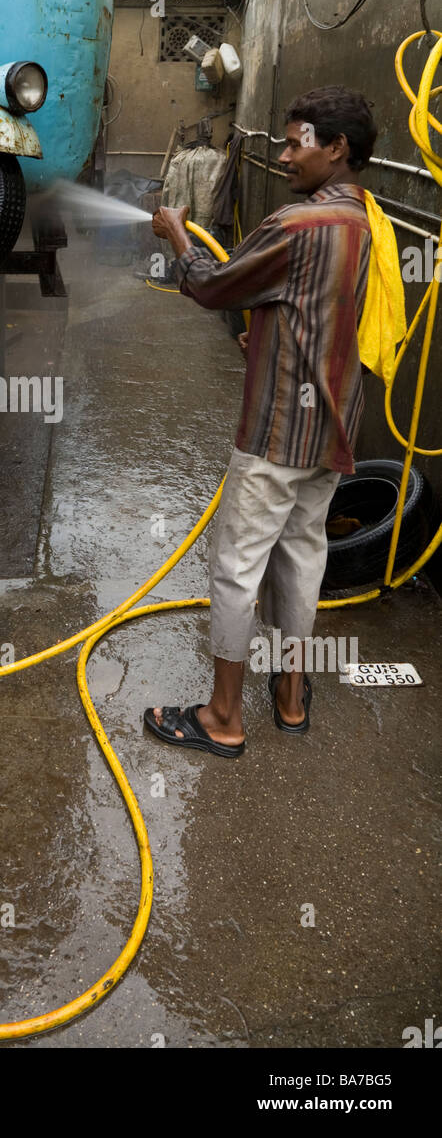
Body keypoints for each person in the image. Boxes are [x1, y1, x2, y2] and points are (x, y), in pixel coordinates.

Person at [146, 87, 379, 758]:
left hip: (278, 427)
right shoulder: (363, 219)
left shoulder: (297, 223)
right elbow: (319, 305)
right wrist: (271, 329)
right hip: (331, 426)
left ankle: (222, 716)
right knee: (302, 559)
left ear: (337, 149)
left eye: (296, 142)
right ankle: (291, 696)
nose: (284, 156)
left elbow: (215, 286)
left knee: (237, 567)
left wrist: (177, 233)